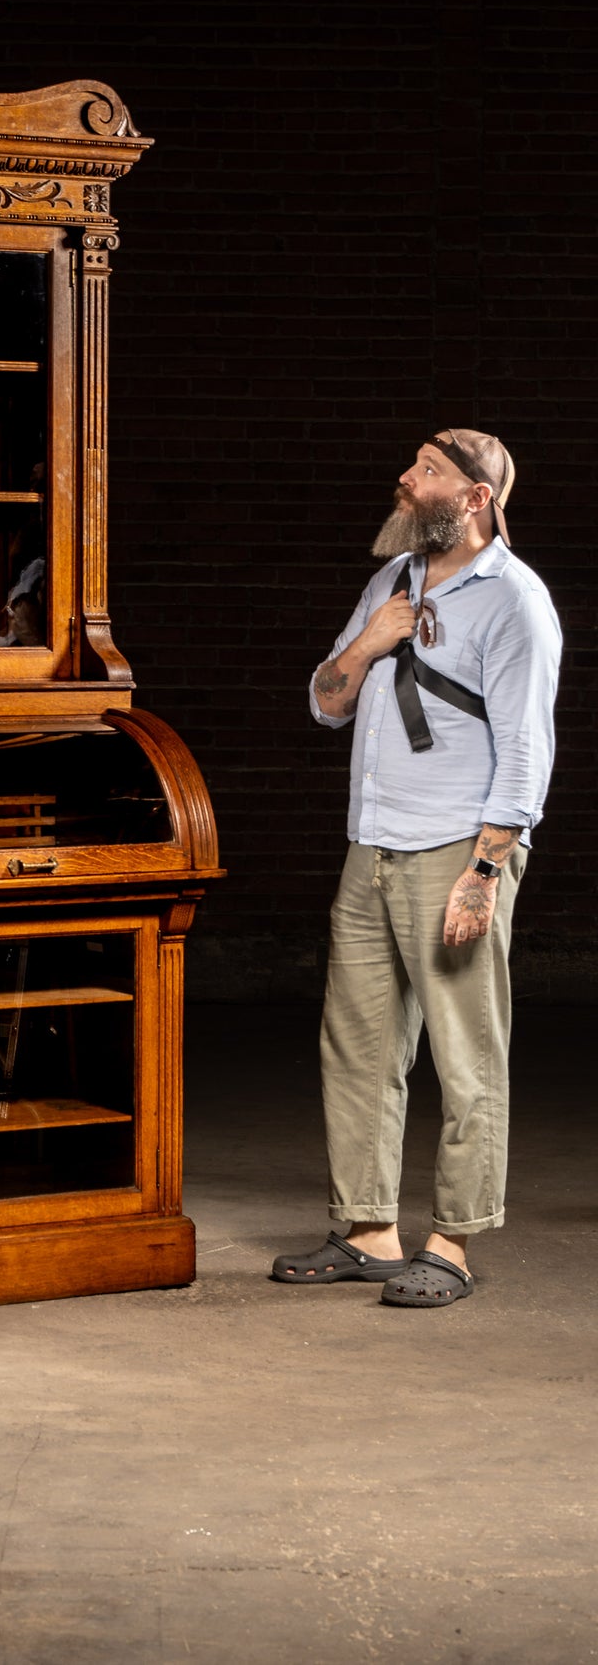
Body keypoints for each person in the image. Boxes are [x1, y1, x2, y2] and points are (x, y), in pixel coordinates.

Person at [272, 430, 561, 1308]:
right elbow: (326, 704)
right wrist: (370, 642)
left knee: (467, 1056)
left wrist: (485, 872)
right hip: (373, 846)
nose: (406, 478)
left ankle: (455, 1243)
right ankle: (369, 1232)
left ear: (473, 498)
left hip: (454, 851)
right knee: (357, 1047)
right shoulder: (388, 584)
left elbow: (524, 752)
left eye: (428, 471)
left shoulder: (515, 601)